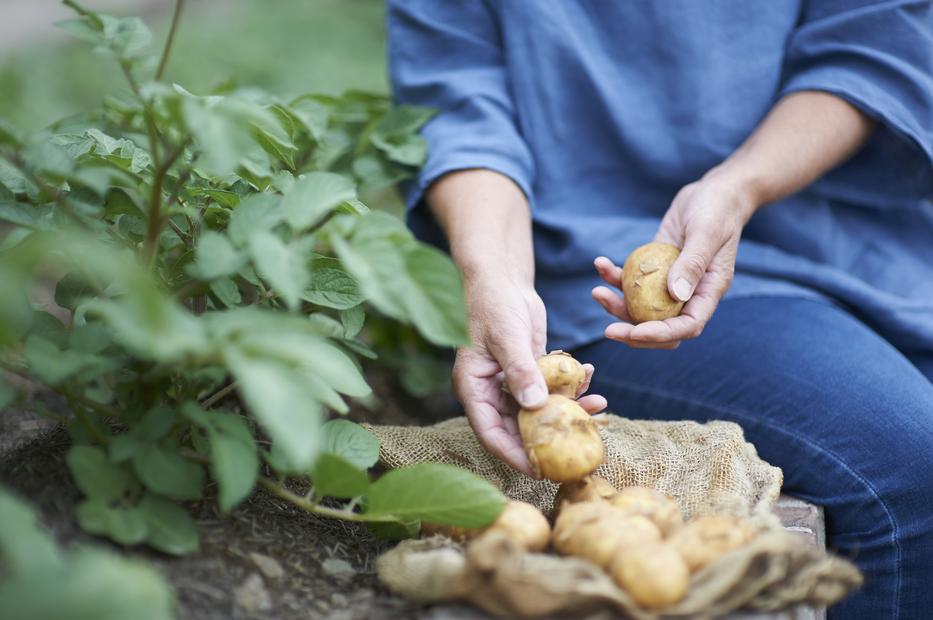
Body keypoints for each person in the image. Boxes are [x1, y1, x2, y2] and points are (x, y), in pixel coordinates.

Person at [386, 2, 933, 617]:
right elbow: (459, 111)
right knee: (912, 468)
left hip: (859, 240)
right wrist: (494, 278)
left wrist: (739, 186)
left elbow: (870, 49)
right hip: (578, 271)